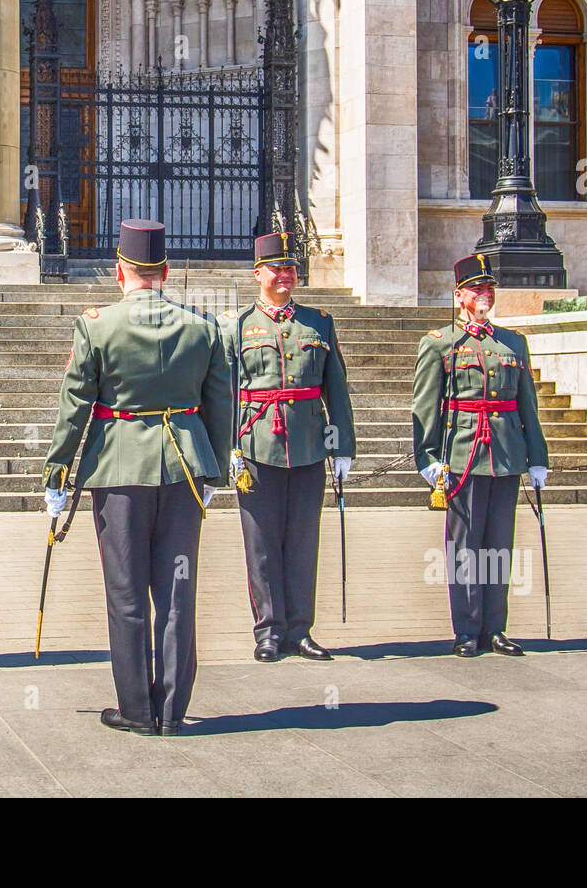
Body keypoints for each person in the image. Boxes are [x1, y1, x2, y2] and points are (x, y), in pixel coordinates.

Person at [42, 219, 231, 736]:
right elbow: (221, 406)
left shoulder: (97, 325)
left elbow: (75, 405)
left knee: (125, 593)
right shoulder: (203, 326)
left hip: (120, 468)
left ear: (119, 272)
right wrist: (213, 467)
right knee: (176, 590)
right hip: (186, 472)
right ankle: (172, 710)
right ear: (165, 271)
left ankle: (135, 709)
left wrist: (57, 474)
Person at [221, 231, 355, 663]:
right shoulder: (237, 325)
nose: (285, 275)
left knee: (302, 541)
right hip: (257, 445)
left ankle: (300, 630)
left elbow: (336, 389)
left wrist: (342, 447)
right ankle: (269, 630)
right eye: (276, 268)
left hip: (310, 444)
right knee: (261, 544)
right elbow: (224, 393)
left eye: (291, 268)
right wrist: (227, 448)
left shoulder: (319, 322)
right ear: (258, 273)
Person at [411, 253, 549, 657]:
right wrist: (429, 458)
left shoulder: (513, 342)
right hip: (463, 454)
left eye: (489, 287)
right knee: (465, 546)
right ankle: (467, 629)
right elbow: (425, 407)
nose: (485, 293)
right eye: (477, 288)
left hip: (506, 454)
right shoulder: (440, 344)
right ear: (459, 296)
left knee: (498, 544)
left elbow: (528, 405)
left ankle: (495, 627)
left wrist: (537, 458)